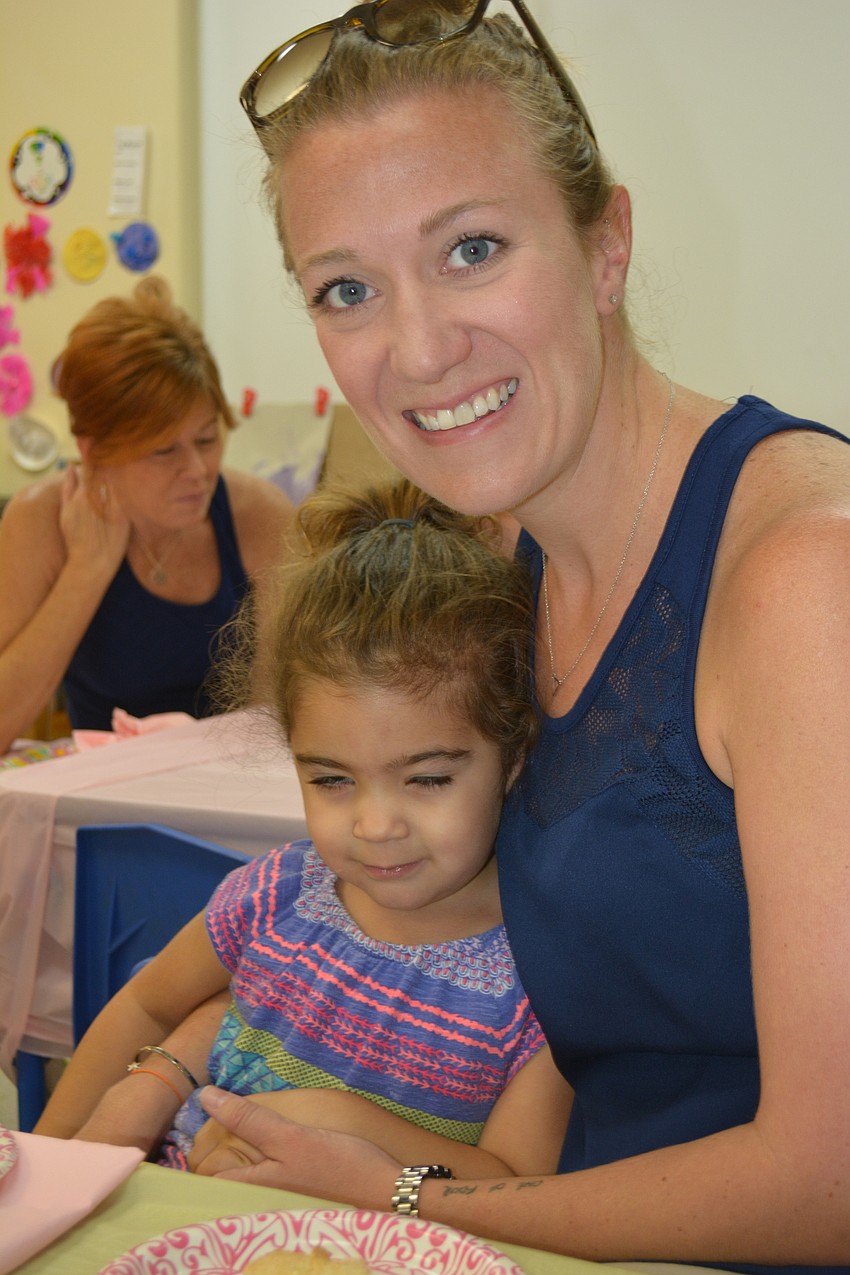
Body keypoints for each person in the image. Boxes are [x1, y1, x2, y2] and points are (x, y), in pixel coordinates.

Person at [185, 3, 850, 1272]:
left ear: (607, 244)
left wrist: (406, 1194)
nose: (421, 350)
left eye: (473, 248)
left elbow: (826, 1180)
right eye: (347, 289)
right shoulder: (501, 560)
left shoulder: (799, 581)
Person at [35, 476, 571, 1181]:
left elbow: (514, 1180)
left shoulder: (545, 971)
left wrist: (334, 1122)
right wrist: (52, 1164)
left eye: (429, 778)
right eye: (331, 779)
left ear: (514, 753)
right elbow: (144, 1001)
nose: (376, 825)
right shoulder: (275, 894)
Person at [0, 276, 293, 750]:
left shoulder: (258, 515)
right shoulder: (40, 521)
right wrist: (86, 571)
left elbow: (285, 717)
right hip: (99, 798)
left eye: (206, 439)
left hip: (232, 785)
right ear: (94, 452)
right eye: (163, 452)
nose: (198, 471)